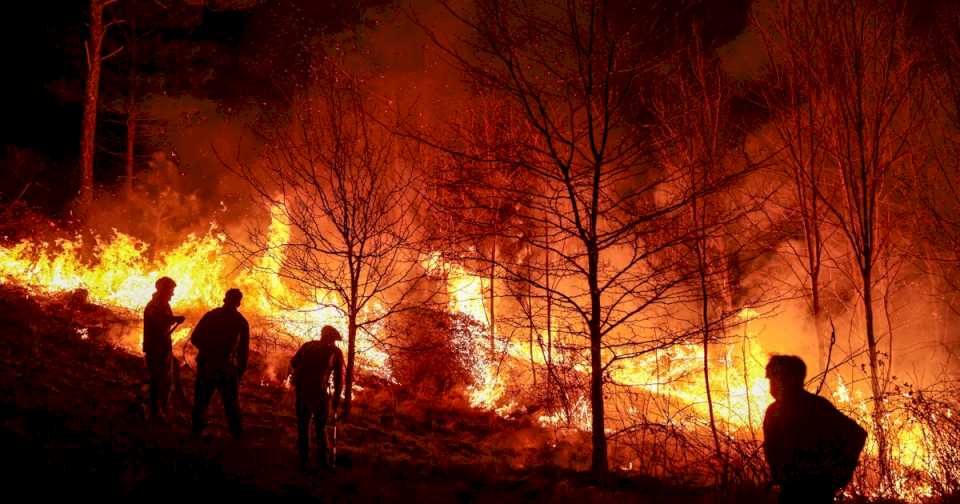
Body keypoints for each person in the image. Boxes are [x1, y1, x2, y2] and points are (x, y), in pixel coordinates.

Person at [763, 355, 867, 504]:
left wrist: (838, 476)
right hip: (790, 491)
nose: (771, 385)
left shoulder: (816, 407)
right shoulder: (774, 411)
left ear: (790, 379)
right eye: (770, 379)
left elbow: (856, 435)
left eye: (774, 378)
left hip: (815, 492)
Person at [190, 288, 249, 439]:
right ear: (238, 303)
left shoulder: (212, 315)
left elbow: (195, 338)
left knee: (201, 402)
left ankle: (195, 434)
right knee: (231, 406)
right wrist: (239, 371)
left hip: (208, 365)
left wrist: (207, 350)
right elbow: (243, 352)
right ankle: (237, 439)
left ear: (225, 299)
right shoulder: (241, 322)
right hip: (227, 369)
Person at [290, 325, 344, 470]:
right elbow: (339, 378)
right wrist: (337, 398)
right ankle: (323, 461)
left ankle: (303, 459)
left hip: (302, 390)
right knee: (320, 427)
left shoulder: (308, 345)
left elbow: (293, 362)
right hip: (320, 393)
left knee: (303, 425)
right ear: (333, 339)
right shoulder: (336, 352)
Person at [143, 276, 185, 422]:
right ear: (164, 290)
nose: (172, 294)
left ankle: (160, 409)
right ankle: (155, 412)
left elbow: (163, 319)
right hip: (156, 348)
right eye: (171, 290)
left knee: (163, 379)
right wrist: (174, 319)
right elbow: (158, 321)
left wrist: (173, 318)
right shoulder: (156, 305)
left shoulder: (162, 304)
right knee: (158, 380)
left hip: (162, 347)